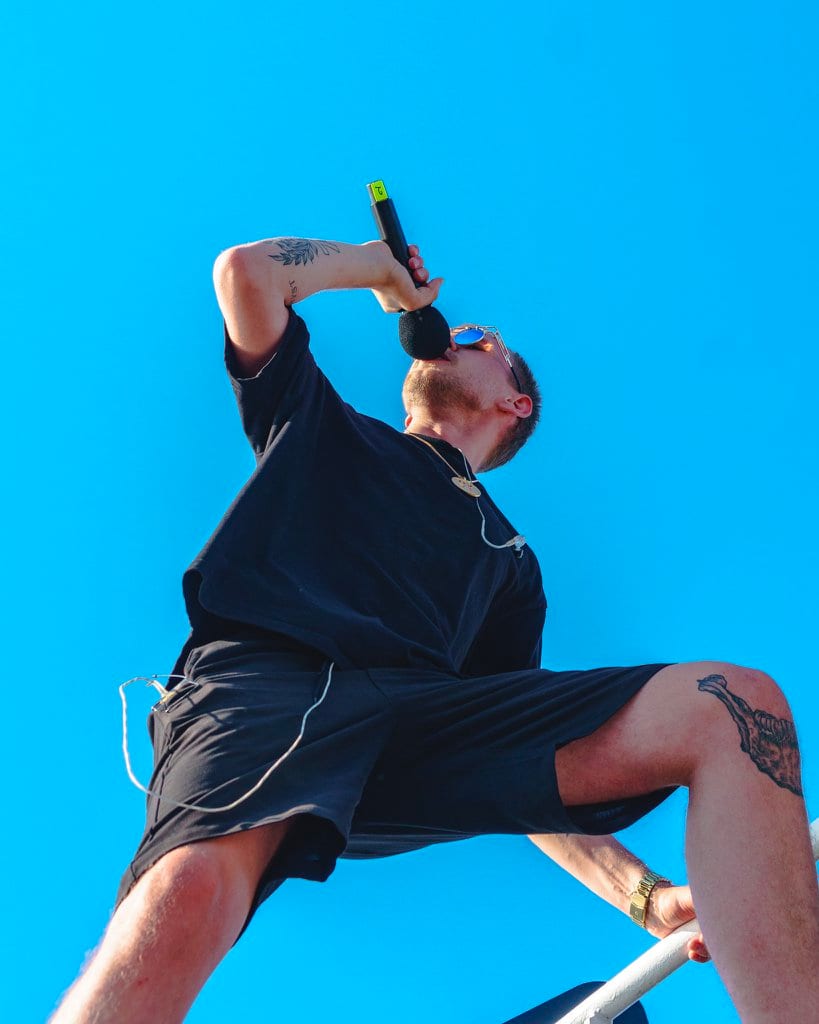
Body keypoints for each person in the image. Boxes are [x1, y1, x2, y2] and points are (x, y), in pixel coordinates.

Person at [51, 236, 819, 1024]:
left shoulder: (509, 559)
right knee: (193, 889)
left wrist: (645, 896)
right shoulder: (319, 422)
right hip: (269, 680)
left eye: (483, 342)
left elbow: (523, 780)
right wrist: (375, 269)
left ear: (515, 402)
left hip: (419, 721)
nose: (460, 333)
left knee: (731, 703)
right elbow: (246, 274)